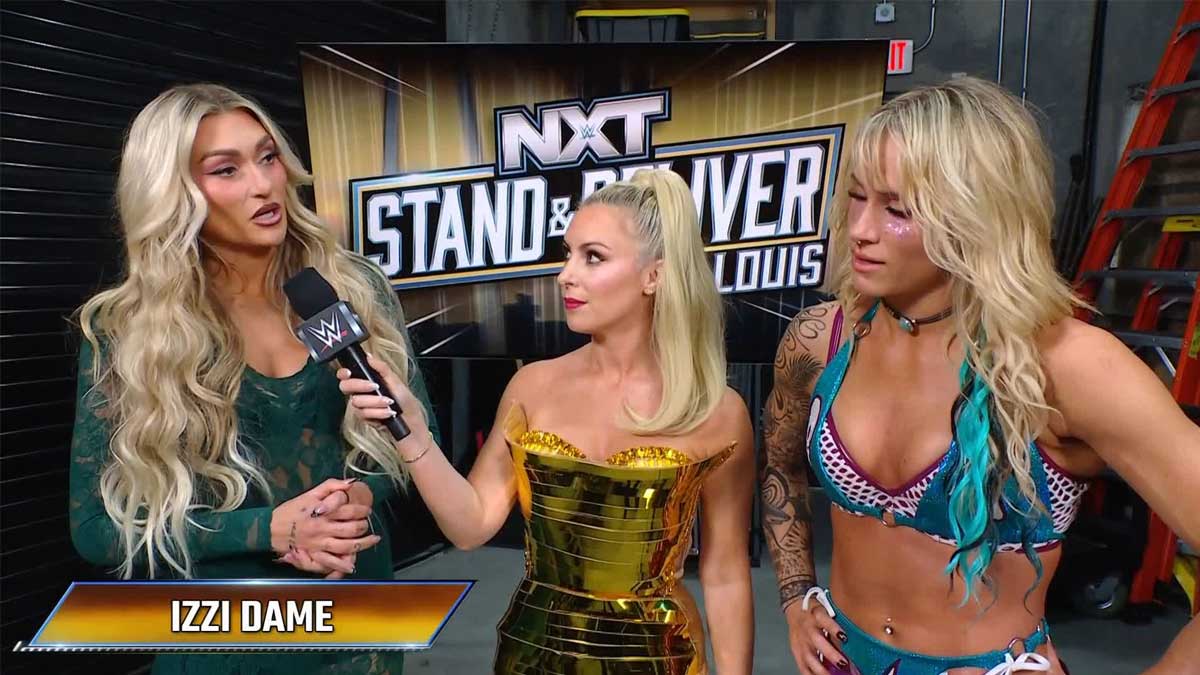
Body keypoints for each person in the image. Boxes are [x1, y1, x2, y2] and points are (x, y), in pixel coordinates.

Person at [761, 76, 1200, 675]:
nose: (860, 228)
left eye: (898, 209)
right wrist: (795, 596)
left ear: (977, 214)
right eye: (857, 197)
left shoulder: (1065, 367)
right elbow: (780, 467)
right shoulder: (823, 338)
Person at [69, 83, 441, 675]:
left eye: (268, 157)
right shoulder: (132, 333)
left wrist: (358, 498)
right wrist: (269, 529)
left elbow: (419, 442)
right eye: (227, 170)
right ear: (173, 192)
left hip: (361, 635)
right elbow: (96, 529)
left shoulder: (349, 290)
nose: (264, 184)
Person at [339, 169, 756, 674]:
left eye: (593, 257)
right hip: (535, 655)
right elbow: (470, 526)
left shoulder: (717, 411)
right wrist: (414, 435)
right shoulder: (532, 387)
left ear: (655, 276)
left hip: (660, 659)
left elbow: (725, 574)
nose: (565, 275)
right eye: (568, 253)